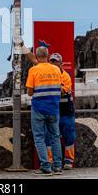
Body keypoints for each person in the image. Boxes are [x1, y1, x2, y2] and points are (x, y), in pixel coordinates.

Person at [26, 46, 63, 176]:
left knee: (39, 137)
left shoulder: (33, 70)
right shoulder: (56, 69)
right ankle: (58, 166)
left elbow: (30, 92)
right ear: (47, 55)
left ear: (37, 56)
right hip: (53, 108)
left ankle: (46, 166)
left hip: (39, 108)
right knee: (55, 137)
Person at [46, 53, 75, 170]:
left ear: (60, 64)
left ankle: (69, 160)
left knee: (69, 135)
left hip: (66, 112)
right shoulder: (48, 75)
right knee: (49, 136)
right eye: (51, 61)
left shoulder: (66, 76)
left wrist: (51, 85)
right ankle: (50, 161)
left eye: (56, 62)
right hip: (52, 110)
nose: (53, 64)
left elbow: (63, 91)